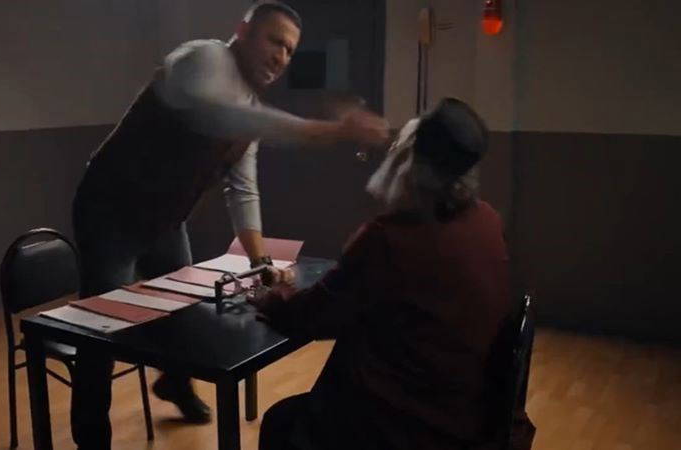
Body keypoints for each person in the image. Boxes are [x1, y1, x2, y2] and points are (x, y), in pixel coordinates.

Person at [70, 1, 389, 448]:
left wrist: (261, 263)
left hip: (165, 220)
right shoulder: (202, 59)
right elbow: (219, 114)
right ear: (243, 30)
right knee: (102, 327)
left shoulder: (250, 106)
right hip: (109, 212)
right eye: (274, 41)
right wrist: (331, 131)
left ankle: (175, 383)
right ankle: (91, 436)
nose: (281, 56)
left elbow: (242, 191)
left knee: (181, 307)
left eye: (290, 50)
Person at [250, 98, 536, 450]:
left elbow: (313, 316)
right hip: (472, 415)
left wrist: (270, 298)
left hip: (410, 427)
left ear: (411, 165)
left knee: (281, 423)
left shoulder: (389, 239)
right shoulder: (486, 221)